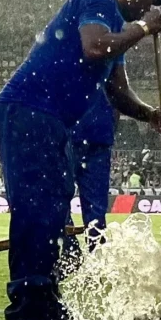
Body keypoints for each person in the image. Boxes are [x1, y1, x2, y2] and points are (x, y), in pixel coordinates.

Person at [0, 0, 161, 320]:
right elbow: (95, 48)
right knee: (37, 208)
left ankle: (47, 305)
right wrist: (143, 27)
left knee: (56, 210)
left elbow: (117, 91)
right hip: (29, 111)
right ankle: (23, 317)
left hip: (53, 120)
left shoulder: (114, 29)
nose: (150, 7)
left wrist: (149, 115)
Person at [69, 95, 116, 249]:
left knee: (57, 202)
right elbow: (120, 96)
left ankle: (69, 250)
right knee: (95, 209)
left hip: (71, 137)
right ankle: (92, 256)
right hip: (97, 137)